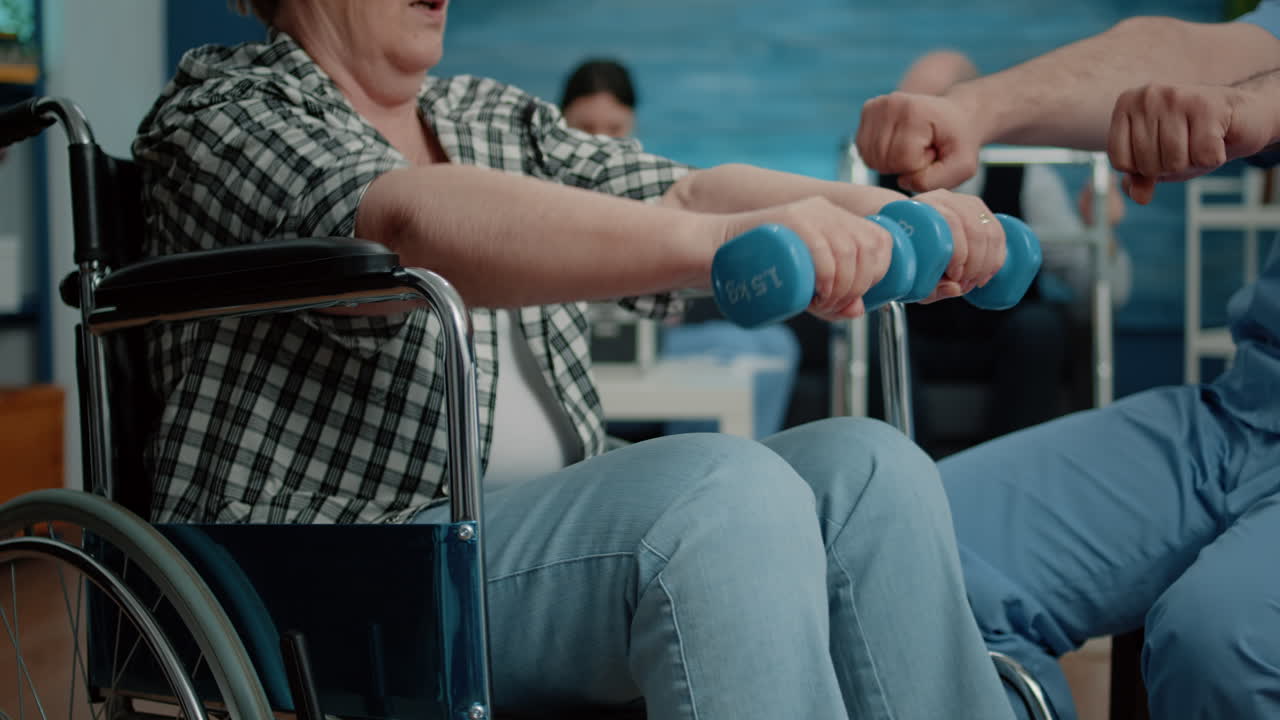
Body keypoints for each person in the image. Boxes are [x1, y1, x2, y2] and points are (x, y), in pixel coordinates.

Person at [133, 1, 1017, 718]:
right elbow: (406, 223)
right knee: (721, 497)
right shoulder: (224, 109)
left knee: (873, 468)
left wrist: (894, 215)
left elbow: (686, 191)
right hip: (332, 566)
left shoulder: (486, 115)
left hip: (517, 547)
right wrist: (717, 240)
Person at [858, 4, 1280, 719]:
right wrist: (975, 111)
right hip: (1241, 414)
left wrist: (1258, 106)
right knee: (896, 553)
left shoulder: (1034, 197)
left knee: (1218, 639)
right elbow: (1193, 49)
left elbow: (1089, 276)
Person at [876, 50, 1131, 452]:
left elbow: (1098, 297)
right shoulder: (874, 182)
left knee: (1040, 327)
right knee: (873, 321)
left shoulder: (1027, 178)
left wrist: (1101, 230)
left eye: (920, 111)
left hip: (1001, 340)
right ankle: (910, 469)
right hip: (917, 341)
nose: (905, 129)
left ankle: (1004, 467)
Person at [560, 58, 802, 439]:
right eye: (586, 130)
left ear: (633, 125)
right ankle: (699, 469)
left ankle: (724, 466)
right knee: (746, 354)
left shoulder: (651, 188)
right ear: (559, 125)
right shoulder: (540, 198)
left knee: (775, 344)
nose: (601, 143)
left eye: (614, 129)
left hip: (648, 341)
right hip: (574, 348)